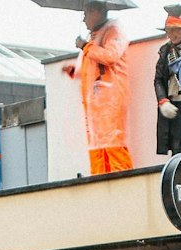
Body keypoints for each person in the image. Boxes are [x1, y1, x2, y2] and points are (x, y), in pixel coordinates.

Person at [64, 1, 132, 175]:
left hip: (110, 100)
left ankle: (124, 183)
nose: (84, 19)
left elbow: (110, 56)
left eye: (86, 14)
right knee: (97, 147)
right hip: (95, 104)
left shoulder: (114, 32)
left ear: (98, 12)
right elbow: (90, 66)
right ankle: (100, 183)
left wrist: (85, 46)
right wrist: (73, 71)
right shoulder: (94, 37)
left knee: (113, 144)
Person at [153, 13, 181, 156]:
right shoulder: (166, 51)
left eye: (175, 30)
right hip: (176, 105)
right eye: (168, 31)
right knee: (177, 147)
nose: (171, 35)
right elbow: (159, 79)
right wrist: (163, 101)